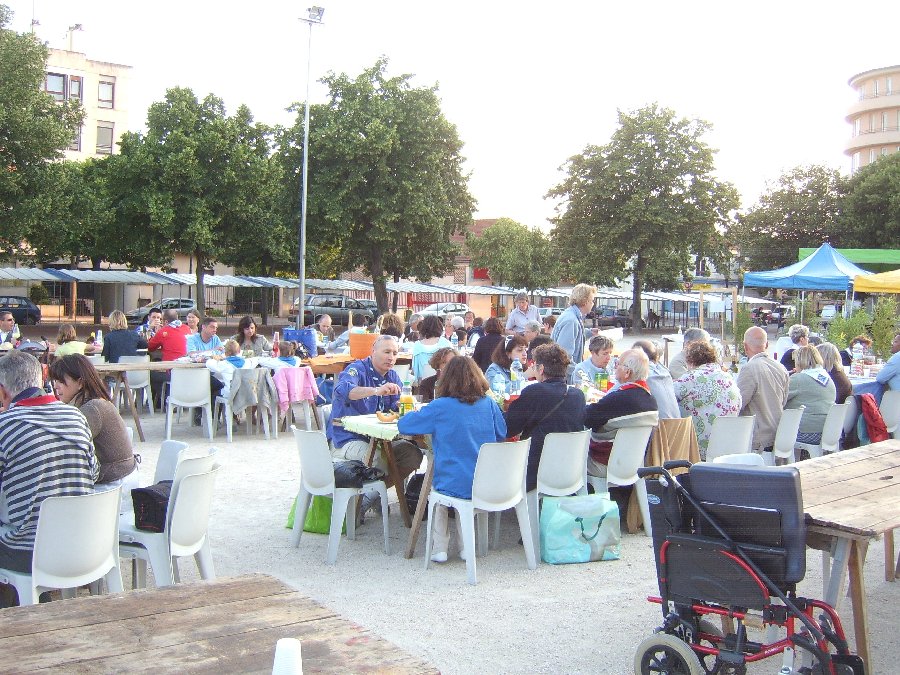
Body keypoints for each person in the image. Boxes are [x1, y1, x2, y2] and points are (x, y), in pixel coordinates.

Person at [0, 351, 97, 590]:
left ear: (2, 392)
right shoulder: (76, 417)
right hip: (83, 547)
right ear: (43, 378)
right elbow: (93, 473)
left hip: (28, 553)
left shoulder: (6, 426)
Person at [397, 356, 506, 562]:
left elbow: (405, 425)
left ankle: (440, 548)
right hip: (486, 481)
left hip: (453, 480)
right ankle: (466, 547)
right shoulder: (489, 404)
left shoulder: (440, 406)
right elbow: (502, 432)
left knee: (437, 495)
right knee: (461, 494)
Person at [327, 335, 424, 515]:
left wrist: (405, 406)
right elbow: (343, 390)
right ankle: (364, 502)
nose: (391, 357)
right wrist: (375, 391)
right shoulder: (357, 369)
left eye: (394, 353)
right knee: (378, 460)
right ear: (373, 351)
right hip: (346, 439)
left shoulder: (392, 376)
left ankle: (372, 495)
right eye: (386, 352)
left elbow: (396, 407)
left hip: (378, 439)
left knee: (412, 455)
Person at [48, 355, 139, 495]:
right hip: (119, 479)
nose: (55, 386)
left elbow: (64, 448)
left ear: (80, 383)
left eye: (61, 381)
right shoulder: (94, 402)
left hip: (114, 486)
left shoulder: (92, 409)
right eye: (54, 381)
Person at [505, 343, 586, 493]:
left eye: (534, 366)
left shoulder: (534, 392)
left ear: (541, 368)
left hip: (535, 471)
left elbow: (508, 429)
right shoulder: (578, 395)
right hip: (570, 469)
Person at [584, 349, 658, 476]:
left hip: (603, 464)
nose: (615, 367)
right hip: (634, 464)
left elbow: (586, 417)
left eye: (618, 364)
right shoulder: (651, 400)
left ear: (627, 372)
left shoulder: (618, 399)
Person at [674, 341, 742, 459]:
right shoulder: (729, 378)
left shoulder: (690, 378)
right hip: (728, 449)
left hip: (697, 451)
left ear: (690, 360)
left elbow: (668, 400)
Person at [735, 326, 790, 456]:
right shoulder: (780, 367)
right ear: (767, 344)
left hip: (758, 438)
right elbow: (784, 401)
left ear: (745, 346)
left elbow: (737, 404)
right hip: (778, 433)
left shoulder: (749, 369)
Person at [786, 345, 837, 446]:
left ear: (800, 361)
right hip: (828, 431)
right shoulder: (827, 378)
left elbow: (779, 398)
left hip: (806, 432)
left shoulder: (799, 379)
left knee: (772, 433)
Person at [148, 308, 192, 409]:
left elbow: (150, 347)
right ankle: (166, 400)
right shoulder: (186, 328)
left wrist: (153, 331)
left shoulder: (164, 331)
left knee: (150, 374)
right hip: (186, 370)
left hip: (171, 371)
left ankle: (165, 400)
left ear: (166, 321)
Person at [632, 339, 681, 420]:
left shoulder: (641, 374)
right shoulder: (666, 373)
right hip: (679, 425)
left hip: (659, 426)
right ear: (656, 357)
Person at [551, 284, 596, 371]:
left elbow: (574, 335)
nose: (593, 304)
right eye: (592, 301)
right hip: (564, 375)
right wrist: (582, 373)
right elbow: (564, 357)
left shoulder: (573, 316)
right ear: (585, 301)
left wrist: (590, 332)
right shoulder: (571, 321)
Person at [411, 315, 451, 382]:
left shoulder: (417, 346)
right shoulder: (446, 344)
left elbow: (414, 370)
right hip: (444, 382)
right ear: (440, 327)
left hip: (422, 383)